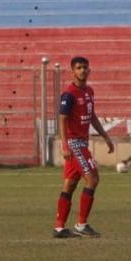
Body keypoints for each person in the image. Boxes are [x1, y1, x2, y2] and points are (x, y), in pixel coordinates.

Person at [53, 56, 114, 238]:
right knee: (93, 179)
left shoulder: (89, 91)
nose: (82, 70)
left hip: (82, 143)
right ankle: (81, 224)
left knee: (70, 185)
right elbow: (62, 120)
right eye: (79, 68)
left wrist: (105, 137)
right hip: (75, 144)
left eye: (85, 67)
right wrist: (65, 145)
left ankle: (59, 227)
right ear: (72, 71)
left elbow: (92, 115)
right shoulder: (69, 94)